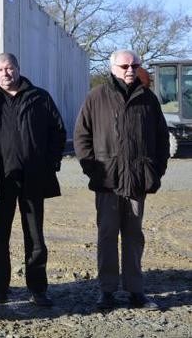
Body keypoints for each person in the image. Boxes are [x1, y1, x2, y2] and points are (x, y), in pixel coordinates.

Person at [74, 49, 168, 310]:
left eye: (134, 65)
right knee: (107, 236)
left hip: (137, 182)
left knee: (134, 236)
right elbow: (82, 138)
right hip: (108, 182)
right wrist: (94, 170)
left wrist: (155, 170)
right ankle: (107, 291)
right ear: (112, 68)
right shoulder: (96, 97)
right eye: (125, 65)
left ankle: (136, 291)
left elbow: (161, 138)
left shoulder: (148, 99)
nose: (130, 69)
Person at [0, 53, 65, 307]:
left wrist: (50, 164)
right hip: (0, 181)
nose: (5, 73)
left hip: (33, 179)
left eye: (9, 68)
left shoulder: (39, 98)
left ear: (18, 69)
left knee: (35, 237)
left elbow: (58, 132)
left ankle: (38, 289)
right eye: (0, 69)